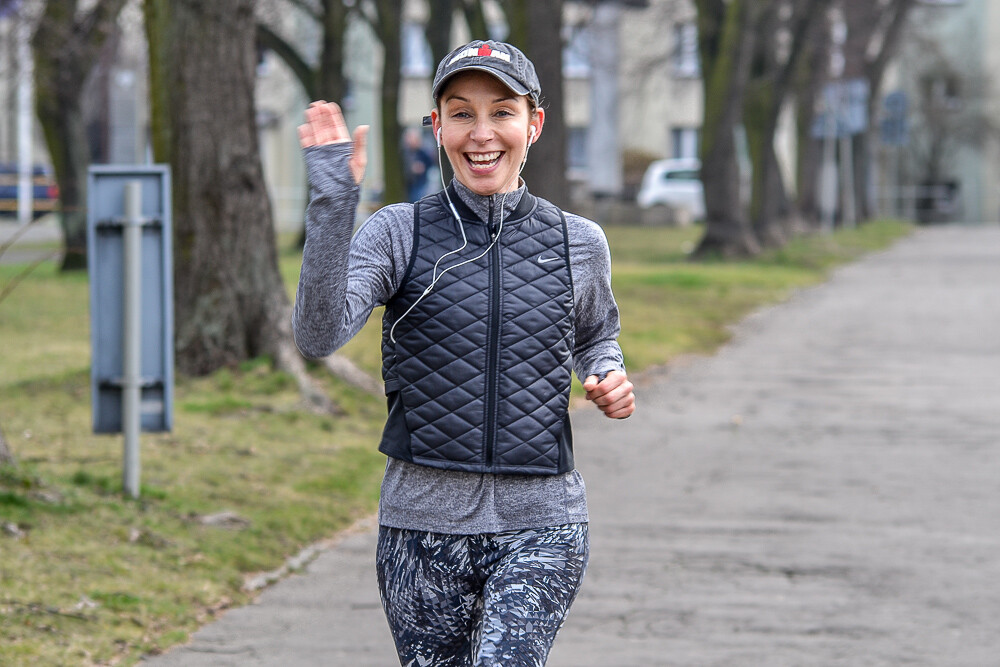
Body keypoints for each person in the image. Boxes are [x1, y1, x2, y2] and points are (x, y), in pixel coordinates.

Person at [293, 39, 635, 667]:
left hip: (543, 520)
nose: (482, 133)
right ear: (438, 126)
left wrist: (607, 374)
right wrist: (334, 203)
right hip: (419, 527)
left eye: (502, 112)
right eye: (461, 113)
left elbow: (595, 335)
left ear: (534, 123)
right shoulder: (399, 232)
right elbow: (318, 335)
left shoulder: (578, 241)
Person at [403, 127, 434, 202]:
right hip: (409, 183)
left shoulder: (422, 152)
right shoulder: (405, 152)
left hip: (420, 182)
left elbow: (430, 162)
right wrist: (412, 168)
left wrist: (422, 167)